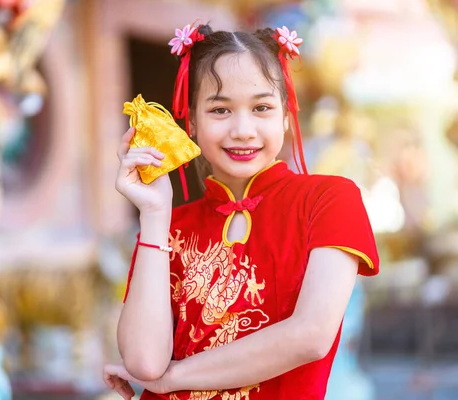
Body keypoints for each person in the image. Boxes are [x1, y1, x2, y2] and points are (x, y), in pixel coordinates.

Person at [104, 22, 379, 400]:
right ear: (193, 123)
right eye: (220, 110)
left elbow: (311, 335)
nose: (243, 129)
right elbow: (145, 364)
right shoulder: (171, 226)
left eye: (262, 107)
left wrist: (174, 378)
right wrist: (154, 214)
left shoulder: (330, 200)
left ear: (286, 114)